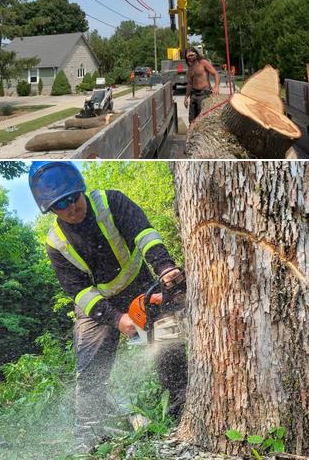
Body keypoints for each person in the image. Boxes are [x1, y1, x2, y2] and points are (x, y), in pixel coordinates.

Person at [28, 162, 187, 454]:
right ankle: (89, 435)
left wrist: (165, 267)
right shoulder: (56, 243)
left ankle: (181, 407)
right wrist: (116, 319)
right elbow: (79, 292)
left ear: (81, 189)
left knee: (169, 346)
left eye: (73, 198)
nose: (71, 208)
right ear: (49, 208)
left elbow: (145, 234)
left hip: (140, 285)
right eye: (60, 204)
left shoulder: (111, 202)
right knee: (91, 369)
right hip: (98, 304)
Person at [183, 47, 220, 123]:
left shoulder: (203, 62)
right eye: (188, 56)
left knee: (202, 120)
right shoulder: (190, 68)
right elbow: (190, 84)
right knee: (192, 120)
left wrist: (216, 87)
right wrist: (186, 97)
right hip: (194, 95)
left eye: (192, 55)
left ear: (196, 54)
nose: (190, 57)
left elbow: (215, 74)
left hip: (204, 94)